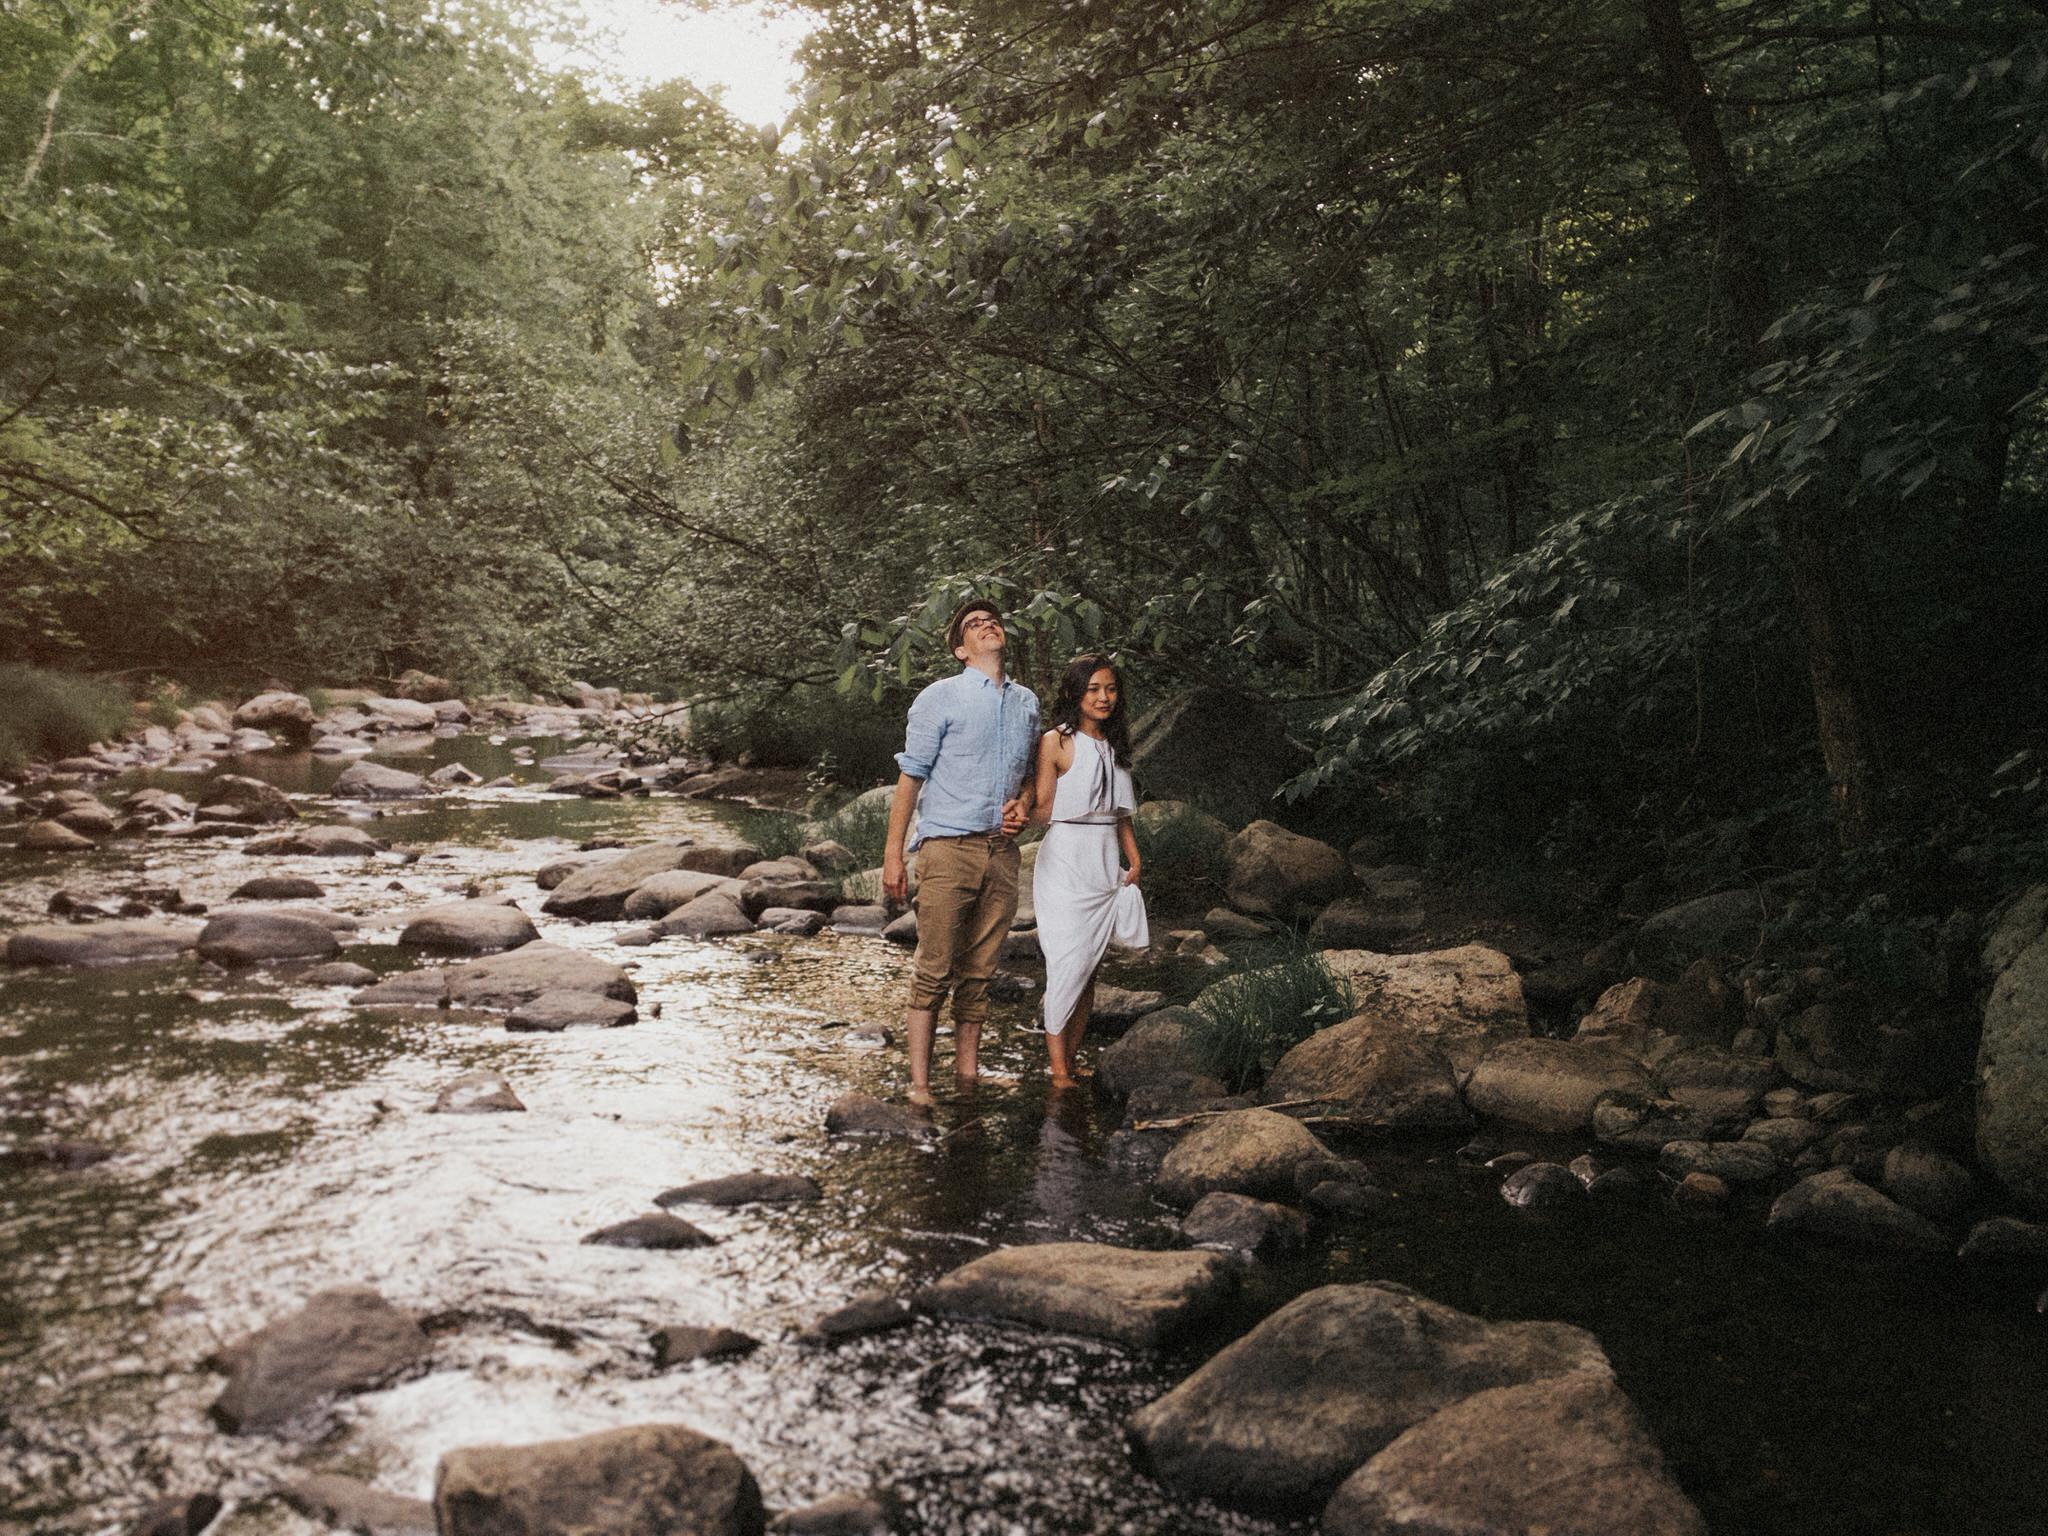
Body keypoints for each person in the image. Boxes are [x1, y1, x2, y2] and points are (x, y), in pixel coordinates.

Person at [882, 598, 1041, 1105]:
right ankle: (920, 1085)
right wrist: (892, 856)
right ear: (960, 650)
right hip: (947, 847)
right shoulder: (939, 698)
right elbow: (910, 779)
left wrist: (1024, 802)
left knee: (980, 971)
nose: (987, 625)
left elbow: (1034, 777)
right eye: (973, 625)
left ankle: (968, 1076)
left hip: (1001, 853)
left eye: (992, 620)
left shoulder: (1027, 703)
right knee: (934, 968)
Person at [1029, 655, 1147, 1090]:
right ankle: (1058, 1072)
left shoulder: (1116, 745)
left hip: (1103, 862)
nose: (1103, 697)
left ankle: (1070, 1061)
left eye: (1111, 688)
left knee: (1090, 966)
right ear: (1074, 694)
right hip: (1064, 859)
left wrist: (1133, 860)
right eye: (1094, 688)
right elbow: (1042, 810)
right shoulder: (1056, 742)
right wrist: (1017, 805)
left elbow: (1122, 816)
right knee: (1066, 962)